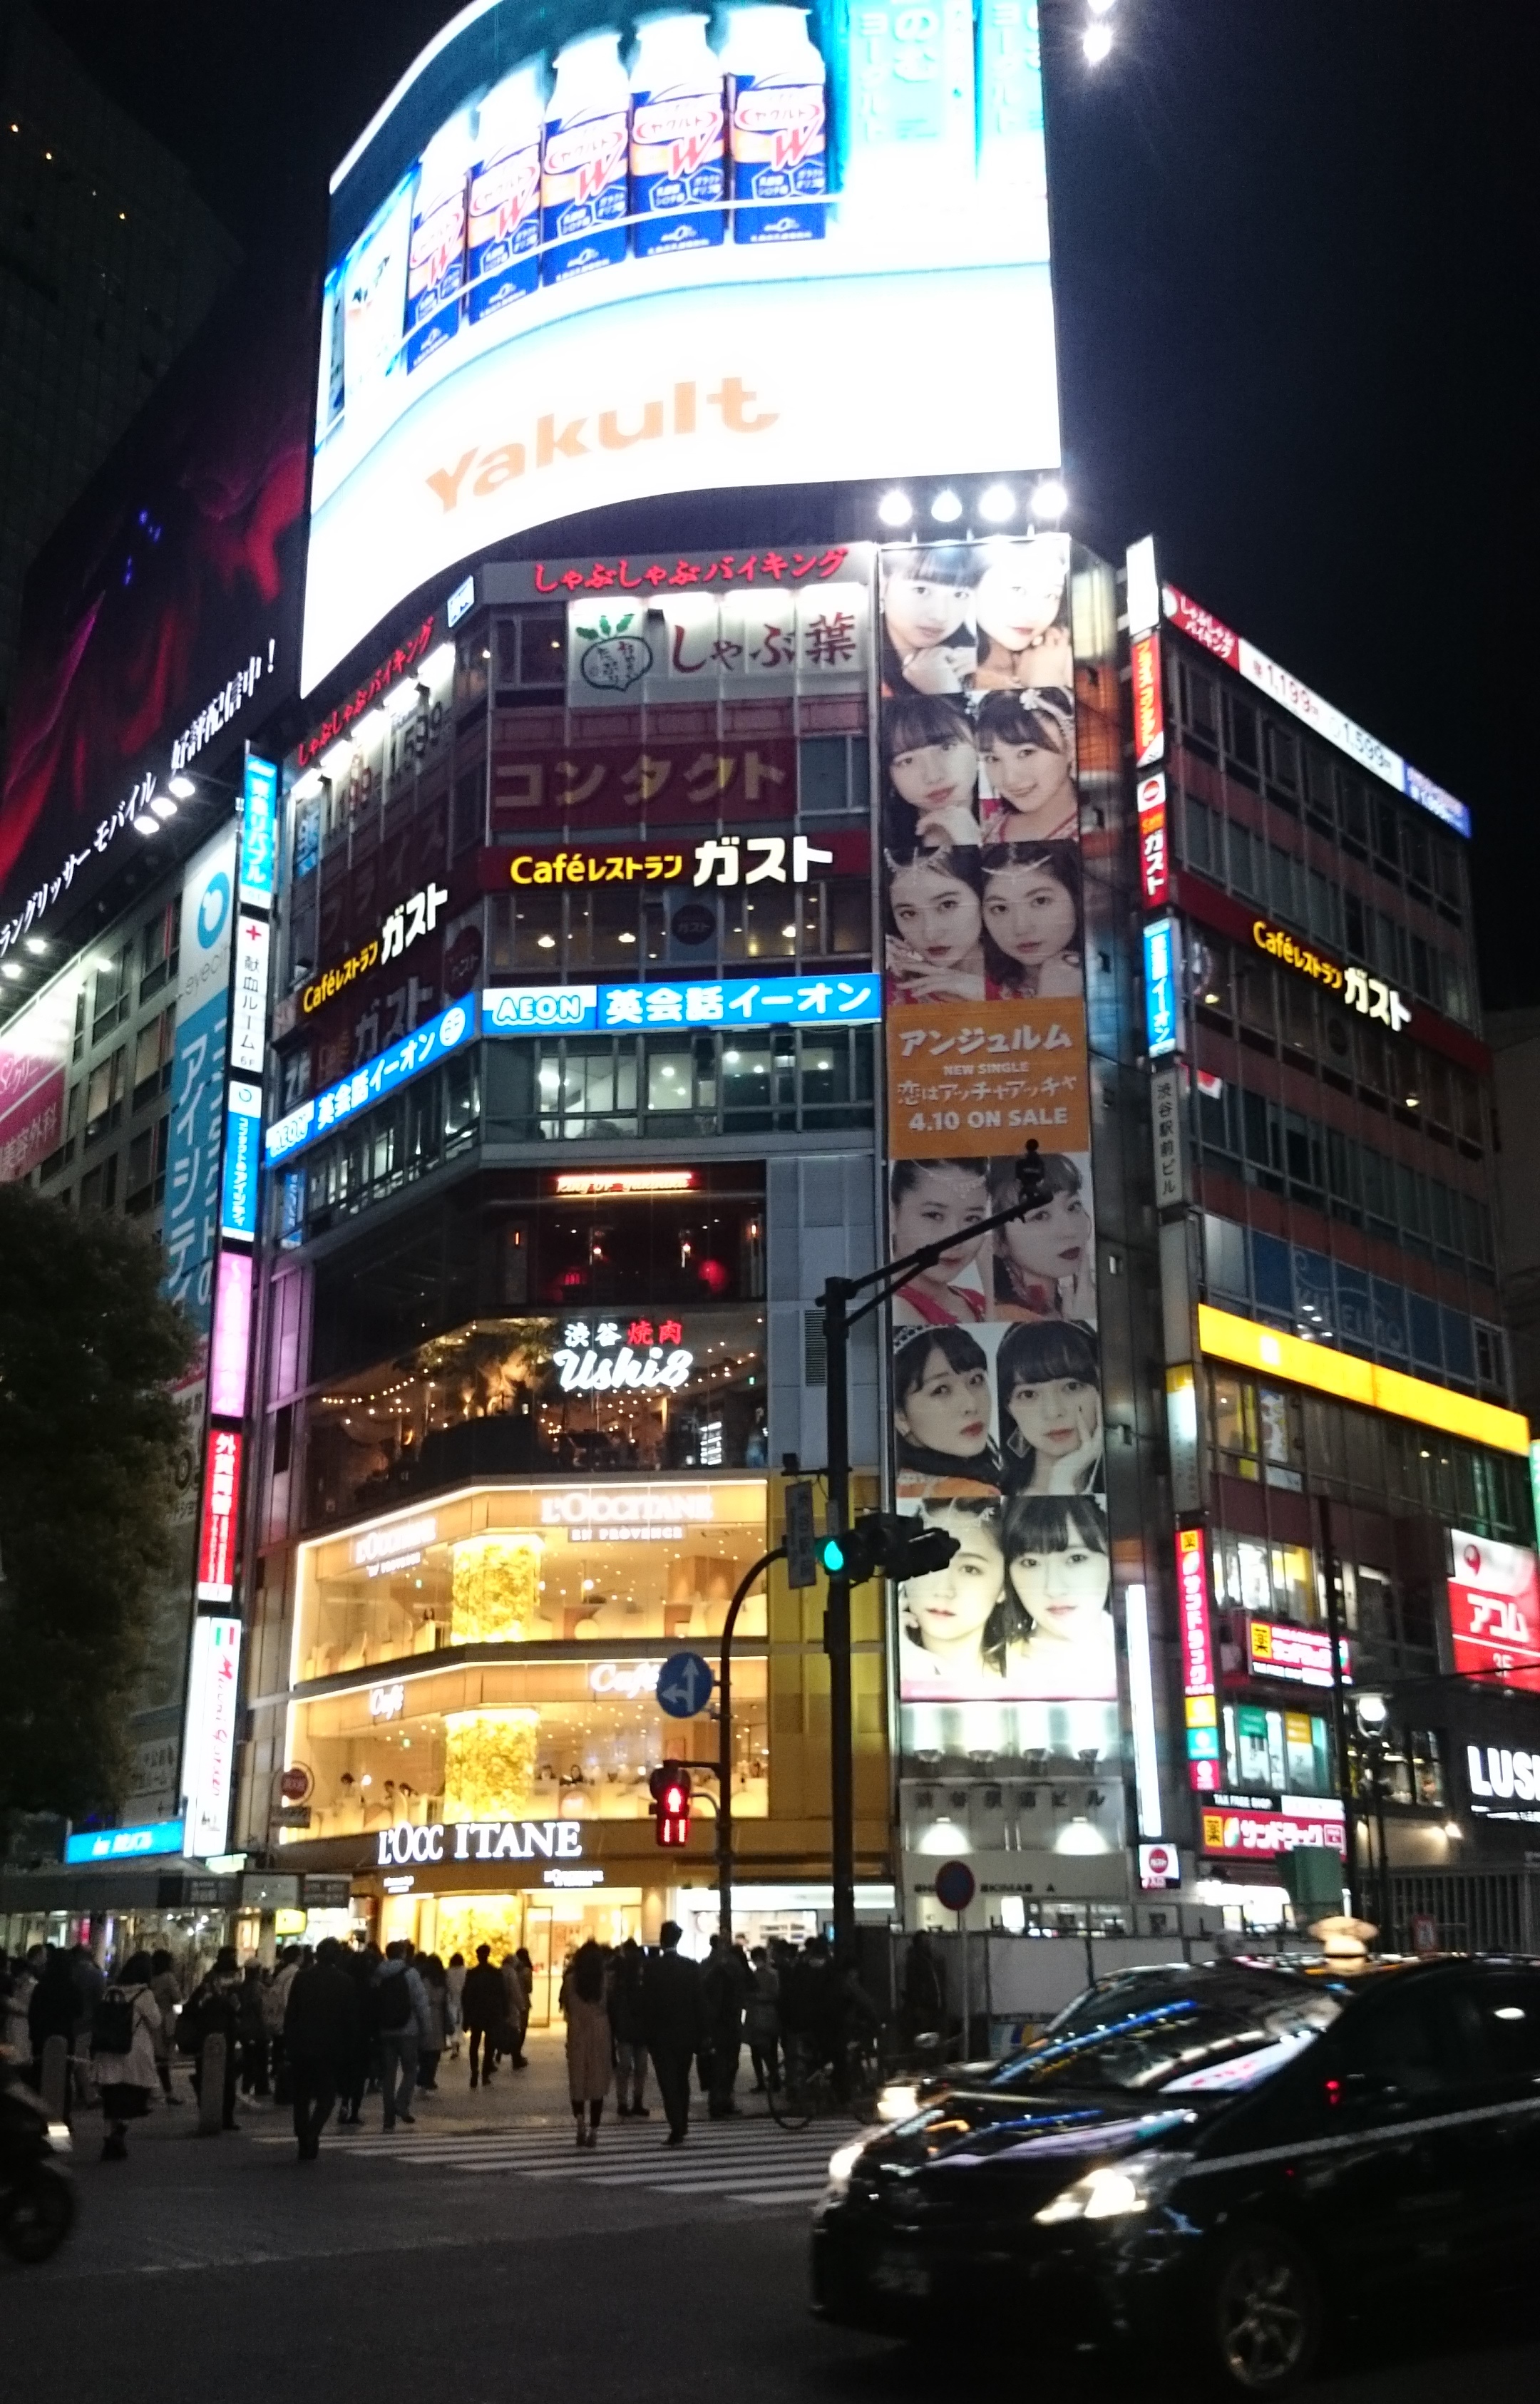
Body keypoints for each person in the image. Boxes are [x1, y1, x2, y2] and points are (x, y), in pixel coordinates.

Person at [1000, 1492, 1116, 1698]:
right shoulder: (992, 1668)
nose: (1053, 1589)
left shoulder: (1144, 1656)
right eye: (1030, 1563)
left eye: (1076, 1558)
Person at [896, 1497, 1015, 1695]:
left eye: (970, 1569)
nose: (943, 1590)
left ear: (1004, 1585)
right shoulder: (875, 1669)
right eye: (931, 1561)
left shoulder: (1030, 1673)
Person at [996, 1320, 1103, 1496]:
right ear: (1009, 1407)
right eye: (1029, 1394)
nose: (1053, 1412)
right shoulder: (993, 1494)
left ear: (1101, 1391)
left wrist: (1064, 1479)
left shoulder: (1127, 1489)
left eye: (1072, 1387)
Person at [988, 1153, 1096, 1325]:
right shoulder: (1004, 1317)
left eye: (1073, 1206)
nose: (1069, 1231)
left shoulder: (1073, 1304)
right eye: (1040, 1216)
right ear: (999, 1242)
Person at [893, 1325, 1001, 1493]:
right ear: (900, 1414)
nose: (971, 1405)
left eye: (976, 1379)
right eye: (941, 1390)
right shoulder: (974, 1493)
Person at [889, 1158, 992, 1327]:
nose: (955, 1241)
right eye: (934, 1215)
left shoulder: (975, 1300)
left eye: (972, 1218)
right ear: (892, 1215)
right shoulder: (897, 1307)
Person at [284, 1936, 361, 2162]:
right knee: (326, 2096)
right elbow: (350, 2020)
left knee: (301, 2096)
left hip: (302, 2045)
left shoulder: (302, 1978)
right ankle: (313, 2131)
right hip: (330, 2048)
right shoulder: (346, 1982)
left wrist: (289, 2043)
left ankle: (303, 2138)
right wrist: (350, 2047)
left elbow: (292, 2014)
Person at [885, 846, 986, 1004]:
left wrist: (989, 993)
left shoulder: (1024, 977)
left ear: (982, 898)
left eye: (947, 905)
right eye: (909, 913)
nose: (930, 934)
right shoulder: (889, 992)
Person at [980, 843, 1082, 998]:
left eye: (1040, 901)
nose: (1021, 928)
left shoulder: (1112, 975)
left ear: (1076, 896)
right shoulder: (974, 990)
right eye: (1000, 908)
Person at [881, 692, 980, 851]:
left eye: (946, 747)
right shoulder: (883, 844)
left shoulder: (1013, 825)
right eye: (907, 761)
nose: (933, 777)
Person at [975, 693, 1077, 843]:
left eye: (1026, 752)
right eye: (992, 759)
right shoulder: (987, 825)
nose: (1010, 779)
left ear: (1070, 747)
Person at [971, 541, 1072, 691]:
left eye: (1052, 595)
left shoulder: (1059, 656)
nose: (1034, 615)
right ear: (971, 583)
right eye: (1017, 589)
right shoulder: (942, 671)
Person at [881, 545, 980, 695]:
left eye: (960, 595)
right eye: (921, 590)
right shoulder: (862, 660)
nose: (940, 616)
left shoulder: (977, 660)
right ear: (882, 587)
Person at [90, 1950, 161, 2159]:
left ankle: (109, 2138)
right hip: (134, 2053)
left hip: (108, 2050)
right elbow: (156, 2022)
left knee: (111, 2099)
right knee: (132, 2098)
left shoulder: (110, 1991)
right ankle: (119, 2134)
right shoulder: (144, 1995)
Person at [642, 1921, 704, 2148]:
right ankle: (683, 2121)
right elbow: (699, 2001)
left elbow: (647, 2005)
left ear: (661, 1940)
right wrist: (702, 2032)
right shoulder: (691, 1967)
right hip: (686, 2033)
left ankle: (676, 2125)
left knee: (668, 2082)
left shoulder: (652, 1969)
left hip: (661, 2036)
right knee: (682, 2079)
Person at [559, 1939, 612, 2148]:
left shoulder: (570, 1981)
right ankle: (594, 2131)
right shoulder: (604, 1980)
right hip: (600, 2033)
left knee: (578, 2081)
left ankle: (580, 2124)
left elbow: (566, 2006)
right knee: (597, 2083)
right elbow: (610, 2006)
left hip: (577, 2032)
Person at [370, 1940, 426, 2130]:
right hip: (408, 2029)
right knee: (411, 2069)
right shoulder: (411, 1974)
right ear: (403, 1954)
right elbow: (420, 2002)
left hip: (385, 2029)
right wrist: (425, 2028)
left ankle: (388, 2118)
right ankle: (401, 2103)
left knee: (388, 2074)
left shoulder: (378, 1974)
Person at [187, 1948, 242, 2130]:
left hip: (218, 2039)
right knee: (217, 2078)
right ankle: (217, 2115)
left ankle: (222, 2116)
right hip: (213, 2039)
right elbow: (195, 2010)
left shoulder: (220, 1988)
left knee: (223, 2078)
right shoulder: (210, 1989)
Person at [701, 1936, 748, 2119]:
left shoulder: (707, 1965)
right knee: (728, 2064)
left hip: (717, 2022)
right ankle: (723, 2101)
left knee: (719, 2065)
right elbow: (745, 1986)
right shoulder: (732, 1965)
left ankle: (719, 2102)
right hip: (729, 2020)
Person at [608, 1936, 650, 2118]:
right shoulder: (642, 1978)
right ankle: (636, 2101)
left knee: (625, 2067)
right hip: (640, 2028)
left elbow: (613, 2003)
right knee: (640, 2068)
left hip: (626, 2029)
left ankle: (623, 2103)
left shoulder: (620, 1979)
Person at [461, 1942, 504, 2090]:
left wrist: (466, 2017)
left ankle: (475, 2072)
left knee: (474, 2044)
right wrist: (502, 2013)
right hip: (491, 2014)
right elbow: (501, 1995)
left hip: (476, 2013)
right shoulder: (495, 1973)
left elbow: (466, 1996)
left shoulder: (472, 1974)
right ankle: (485, 2074)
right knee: (489, 2045)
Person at [744, 1946, 780, 2095]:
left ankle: (774, 2079)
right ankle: (763, 2081)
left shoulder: (772, 1975)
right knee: (757, 2052)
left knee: (767, 2051)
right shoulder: (754, 1975)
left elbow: (775, 1995)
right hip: (756, 2017)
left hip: (766, 2017)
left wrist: (757, 1997)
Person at [900, 1931, 947, 2049]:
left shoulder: (928, 1959)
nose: (928, 1943)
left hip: (932, 2005)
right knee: (925, 2038)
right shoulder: (916, 1961)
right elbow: (913, 1985)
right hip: (924, 2006)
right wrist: (918, 2005)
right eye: (925, 1941)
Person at [148, 1949, 183, 2103]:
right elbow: (177, 1997)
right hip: (165, 2019)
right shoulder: (168, 1978)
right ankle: (169, 2092)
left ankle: (151, 2090)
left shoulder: (150, 1977)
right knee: (163, 2058)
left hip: (150, 2018)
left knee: (153, 2055)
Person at [237, 1963, 270, 2100]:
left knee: (250, 2058)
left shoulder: (242, 1987)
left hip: (245, 2027)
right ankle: (260, 2086)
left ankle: (248, 2085)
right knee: (260, 2058)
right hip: (256, 2028)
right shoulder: (257, 1987)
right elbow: (260, 2008)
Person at [445, 1951, 466, 2060]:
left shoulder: (448, 1972)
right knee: (460, 2025)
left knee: (453, 2024)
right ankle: (458, 2044)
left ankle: (454, 2047)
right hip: (462, 2002)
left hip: (451, 2001)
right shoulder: (465, 1972)